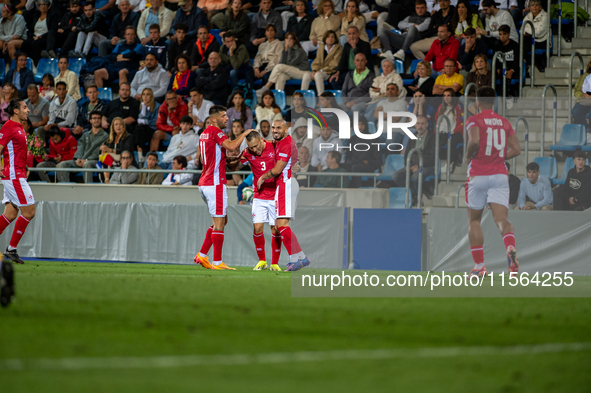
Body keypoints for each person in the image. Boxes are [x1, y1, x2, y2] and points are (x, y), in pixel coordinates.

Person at [464, 86, 521, 277]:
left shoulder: (474, 120)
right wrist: (498, 157)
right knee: (502, 219)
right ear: (494, 102)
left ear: (477, 102)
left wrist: (468, 155)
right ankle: (510, 247)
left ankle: (479, 267)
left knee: (474, 221)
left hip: (478, 174)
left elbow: (473, 141)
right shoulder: (504, 122)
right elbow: (517, 149)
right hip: (499, 175)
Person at [194, 105, 255, 270]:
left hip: (204, 183)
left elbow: (214, 155)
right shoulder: (216, 132)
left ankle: (202, 255)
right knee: (219, 222)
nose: (227, 118)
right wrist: (244, 133)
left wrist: (227, 158)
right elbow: (232, 146)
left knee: (221, 220)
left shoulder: (204, 133)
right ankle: (218, 262)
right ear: (213, 119)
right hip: (215, 184)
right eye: (223, 116)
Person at [256, 119, 310, 271]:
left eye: (279, 128)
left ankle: (296, 258)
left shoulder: (286, 143)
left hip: (286, 184)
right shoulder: (281, 142)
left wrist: (262, 177)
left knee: (281, 225)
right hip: (285, 185)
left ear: (286, 129)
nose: (275, 130)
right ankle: (301, 257)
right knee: (281, 225)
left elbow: (278, 169)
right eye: (273, 128)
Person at [229, 131, 283, 271]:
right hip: (259, 196)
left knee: (275, 229)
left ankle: (275, 263)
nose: (254, 149)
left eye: (255, 146)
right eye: (251, 147)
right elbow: (236, 167)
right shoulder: (247, 153)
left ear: (261, 139)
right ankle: (262, 261)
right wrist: (230, 158)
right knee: (258, 227)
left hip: (276, 195)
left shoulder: (275, 146)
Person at [0, 100, 35, 264]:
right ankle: (11, 249)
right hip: (14, 176)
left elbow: (16, 152)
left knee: (11, 214)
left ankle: (11, 249)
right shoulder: (8, 127)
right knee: (29, 212)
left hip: (17, 174)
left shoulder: (20, 128)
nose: (28, 110)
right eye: (25, 107)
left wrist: (25, 166)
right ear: (15, 110)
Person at [392, 115, 436, 204]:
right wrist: (407, 166)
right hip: (413, 165)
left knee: (416, 177)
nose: (420, 126)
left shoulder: (433, 137)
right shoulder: (412, 136)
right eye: (418, 124)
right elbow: (407, 153)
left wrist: (419, 166)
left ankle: (419, 196)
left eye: (423, 124)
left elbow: (432, 157)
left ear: (427, 125)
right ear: (415, 125)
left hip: (427, 166)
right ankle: (413, 193)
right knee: (396, 176)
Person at [57, 111, 108, 182]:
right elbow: (80, 147)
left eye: (99, 118)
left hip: (96, 161)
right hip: (82, 159)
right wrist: (78, 159)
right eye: (94, 118)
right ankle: (66, 189)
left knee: (87, 164)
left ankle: (88, 190)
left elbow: (98, 152)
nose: (96, 120)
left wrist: (86, 160)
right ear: (90, 120)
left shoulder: (105, 136)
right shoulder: (85, 134)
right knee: (62, 164)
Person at [329, 25, 371, 90]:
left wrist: (354, 47)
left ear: (358, 34)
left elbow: (361, 60)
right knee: (334, 81)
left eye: (353, 33)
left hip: (361, 72)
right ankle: (345, 97)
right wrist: (337, 72)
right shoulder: (346, 45)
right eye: (349, 34)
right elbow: (343, 60)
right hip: (349, 72)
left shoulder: (365, 45)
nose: (351, 36)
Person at [302, 30, 342, 95]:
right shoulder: (321, 48)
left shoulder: (339, 49)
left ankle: (321, 98)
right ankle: (302, 98)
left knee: (318, 75)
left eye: (332, 37)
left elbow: (334, 64)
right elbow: (317, 61)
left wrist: (320, 70)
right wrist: (314, 70)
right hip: (319, 71)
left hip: (329, 72)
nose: (330, 38)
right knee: (306, 75)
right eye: (328, 37)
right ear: (325, 38)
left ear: (335, 39)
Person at [435, 87, 464, 170]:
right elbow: (437, 120)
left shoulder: (459, 107)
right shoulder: (440, 107)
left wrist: (453, 131)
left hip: (456, 132)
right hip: (442, 132)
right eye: (444, 95)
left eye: (448, 95)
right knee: (433, 139)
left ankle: (450, 163)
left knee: (452, 139)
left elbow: (462, 123)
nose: (446, 97)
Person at [493, 24, 520, 99]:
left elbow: (517, 60)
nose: (502, 36)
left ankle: (507, 97)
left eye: (504, 34)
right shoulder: (496, 45)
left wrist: (512, 70)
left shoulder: (515, 45)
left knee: (504, 73)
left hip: (512, 70)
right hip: (501, 70)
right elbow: (495, 59)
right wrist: (497, 68)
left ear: (509, 34)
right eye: (500, 34)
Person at [522, 0, 548, 72]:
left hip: (542, 40)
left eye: (536, 5)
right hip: (530, 39)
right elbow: (522, 30)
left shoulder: (545, 16)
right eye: (532, 5)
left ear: (540, 7)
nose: (534, 7)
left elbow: (539, 32)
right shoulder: (528, 16)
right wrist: (532, 31)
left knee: (523, 44)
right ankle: (525, 62)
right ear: (530, 8)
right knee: (521, 41)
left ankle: (525, 63)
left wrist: (529, 31)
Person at [135, 88, 160, 160]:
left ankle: (141, 156)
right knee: (139, 129)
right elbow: (139, 118)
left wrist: (145, 122)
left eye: (147, 94)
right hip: (143, 130)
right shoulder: (141, 106)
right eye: (143, 94)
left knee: (139, 129)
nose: (145, 96)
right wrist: (143, 108)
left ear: (151, 96)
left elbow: (156, 122)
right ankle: (141, 157)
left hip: (153, 129)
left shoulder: (157, 106)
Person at [572, 60, 591, 131]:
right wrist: (584, 95)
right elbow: (577, 91)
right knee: (575, 111)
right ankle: (586, 131)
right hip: (585, 101)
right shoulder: (584, 76)